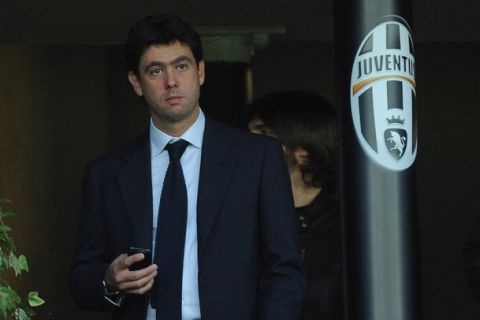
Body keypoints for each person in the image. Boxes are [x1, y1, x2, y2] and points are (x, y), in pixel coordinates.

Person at [69, 14, 304, 320]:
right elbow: (81, 279)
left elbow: (283, 268)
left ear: (201, 71)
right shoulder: (106, 174)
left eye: (181, 66)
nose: (172, 82)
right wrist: (109, 280)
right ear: (136, 83)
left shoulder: (256, 158)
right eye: (156, 71)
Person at [248, 91, 344, 320]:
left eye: (264, 134)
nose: (247, 144)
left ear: (304, 151)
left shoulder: (348, 230)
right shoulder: (239, 219)